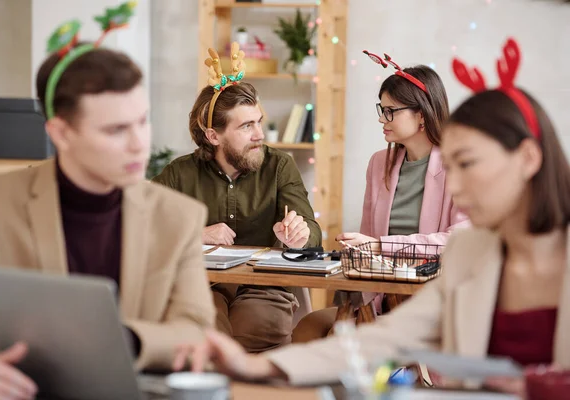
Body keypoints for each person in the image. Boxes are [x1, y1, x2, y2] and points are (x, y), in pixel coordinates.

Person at [173, 38, 570, 398]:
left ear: (528, 160)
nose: (458, 187)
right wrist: (254, 365)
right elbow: (383, 339)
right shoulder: (471, 252)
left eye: (468, 164)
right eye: (452, 166)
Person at [0, 14, 215, 398]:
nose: (139, 144)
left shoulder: (179, 217)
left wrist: (122, 341)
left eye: (143, 121)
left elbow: (196, 329)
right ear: (61, 133)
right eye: (117, 130)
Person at [153, 43, 322, 352]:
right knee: (203, 331)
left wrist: (300, 235)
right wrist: (194, 234)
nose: (260, 134)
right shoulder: (179, 174)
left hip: (265, 288)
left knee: (254, 327)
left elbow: (312, 230)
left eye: (259, 121)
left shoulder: (279, 165)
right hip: (201, 286)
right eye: (247, 126)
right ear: (213, 135)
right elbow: (135, 227)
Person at [293, 57, 467, 343]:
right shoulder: (379, 164)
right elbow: (367, 240)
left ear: (421, 115)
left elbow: (457, 240)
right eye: (381, 110)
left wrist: (379, 246)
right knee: (307, 328)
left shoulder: (457, 165)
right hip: (378, 299)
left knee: (342, 345)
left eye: (390, 111)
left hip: (431, 303)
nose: (381, 119)